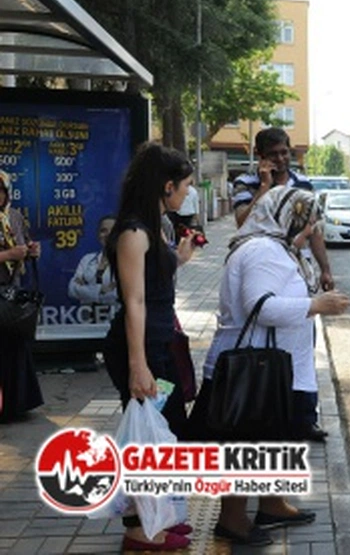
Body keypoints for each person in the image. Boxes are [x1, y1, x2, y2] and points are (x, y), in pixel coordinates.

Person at [192, 185, 350, 547]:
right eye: (309, 223)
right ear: (290, 218)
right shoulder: (264, 251)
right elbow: (259, 307)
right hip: (259, 369)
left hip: (275, 367)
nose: (312, 231)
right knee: (247, 444)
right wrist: (316, 305)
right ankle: (232, 520)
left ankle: (272, 504)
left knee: (269, 440)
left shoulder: (273, 247)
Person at [101, 143, 197, 551]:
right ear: (167, 185)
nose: (187, 195)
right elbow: (134, 300)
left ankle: (157, 515)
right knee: (146, 441)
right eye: (186, 187)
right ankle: (139, 529)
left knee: (164, 433)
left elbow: (156, 281)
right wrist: (138, 365)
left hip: (159, 343)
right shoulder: (134, 232)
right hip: (140, 349)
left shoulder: (155, 225)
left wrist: (180, 256)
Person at [231, 127, 333, 442]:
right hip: (267, 265)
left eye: (285, 152)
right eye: (273, 154)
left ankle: (305, 415)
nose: (281, 158)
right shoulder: (245, 184)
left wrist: (325, 269)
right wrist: (264, 186)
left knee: (303, 342)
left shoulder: (302, 183)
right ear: (260, 157)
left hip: (297, 269)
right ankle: (270, 403)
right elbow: (243, 221)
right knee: (271, 339)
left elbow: (314, 229)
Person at [0, 170, 43, 422]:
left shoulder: (14, 217)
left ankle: (16, 404)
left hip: (10, 292)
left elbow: (24, 243)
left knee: (14, 346)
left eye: (1, 190)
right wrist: (8, 256)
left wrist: (31, 251)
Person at [69, 215, 118, 305]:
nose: (108, 234)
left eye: (113, 230)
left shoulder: (128, 262)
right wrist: (101, 290)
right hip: (86, 318)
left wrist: (86, 289)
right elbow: (72, 289)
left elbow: (120, 294)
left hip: (114, 316)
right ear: (98, 234)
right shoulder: (87, 259)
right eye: (103, 230)